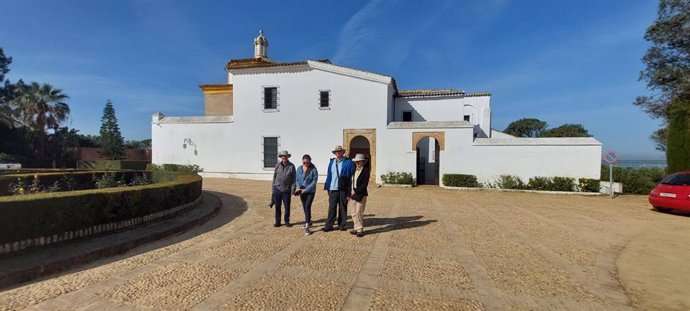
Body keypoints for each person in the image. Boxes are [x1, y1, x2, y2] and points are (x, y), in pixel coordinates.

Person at [322, 145, 355, 232]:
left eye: (339, 151)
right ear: (335, 153)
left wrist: (349, 191)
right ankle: (329, 225)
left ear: (343, 152)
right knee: (332, 207)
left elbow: (351, 178)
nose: (338, 153)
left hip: (343, 189)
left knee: (342, 207)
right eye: (336, 152)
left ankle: (342, 225)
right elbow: (329, 175)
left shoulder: (349, 162)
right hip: (332, 188)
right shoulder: (332, 162)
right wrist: (328, 187)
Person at [295, 154, 318, 235]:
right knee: (305, 207)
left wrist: (306, 189)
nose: (305, 164)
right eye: (304, 162)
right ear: (302, 161)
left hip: (310, 191)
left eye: (307, 162)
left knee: (307, 206)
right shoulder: (299, 168)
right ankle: (309, 221)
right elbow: (296, 179)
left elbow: (314, 182)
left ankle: (307, 226)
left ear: (310, 161)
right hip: (301, 191)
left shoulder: (313, 170)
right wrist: (298, 187)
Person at [272, 150, 296, 227]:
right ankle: (278, 221)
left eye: (285, 156)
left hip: (287, 190)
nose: (284, 157)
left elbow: (294, 179)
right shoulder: (277, 165)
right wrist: (273, 188)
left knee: (287, 207)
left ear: (287, 157)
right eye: (282, 156)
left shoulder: (291, 166)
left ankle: (286, 221)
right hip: (277, 189)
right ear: (281, 157)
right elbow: (274, 177)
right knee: (277, 206)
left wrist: (293, 188)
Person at [350, 154, 370, 237]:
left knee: (359, 212)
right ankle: (356, 227)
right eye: (356, 161)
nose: (357, 163)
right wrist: (351, 190)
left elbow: (364, 184)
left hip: (361, 194)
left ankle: (360, 229)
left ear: (363, 162)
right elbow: (351, 181)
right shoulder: (354, 170)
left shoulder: (365, 171)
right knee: (353, 212)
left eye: (359, 161)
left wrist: (356, 191)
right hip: (353, 194)